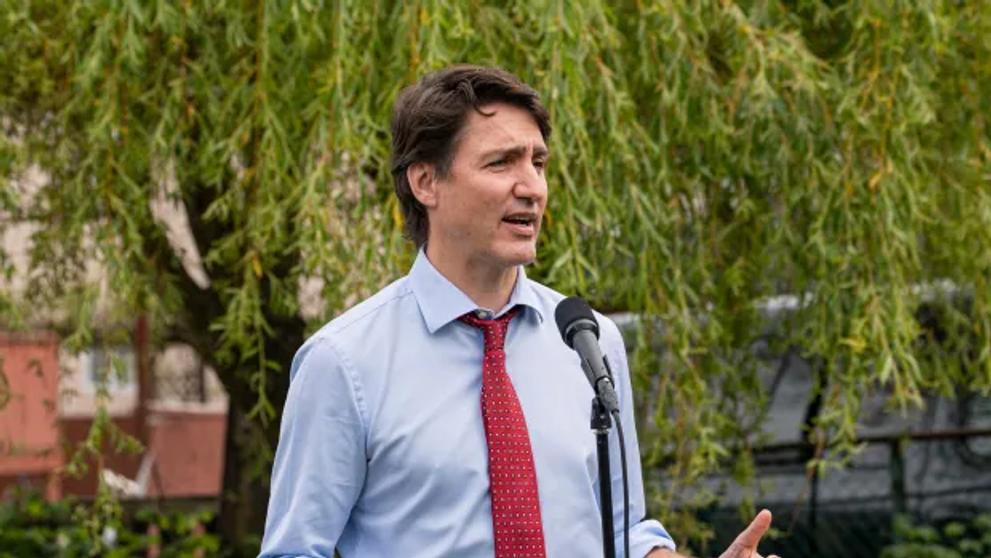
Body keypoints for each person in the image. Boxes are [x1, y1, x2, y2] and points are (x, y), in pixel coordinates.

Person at [259, 65, 779, 558]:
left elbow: (623, 530)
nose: (531, 187)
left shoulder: (588, 340)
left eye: (538, 162)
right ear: (426, 183)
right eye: (501, 162)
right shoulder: (344, 362)